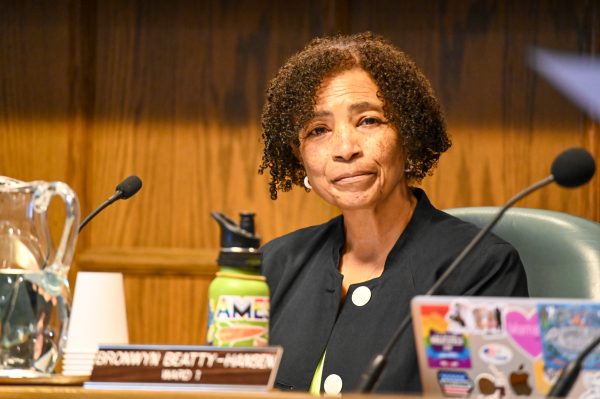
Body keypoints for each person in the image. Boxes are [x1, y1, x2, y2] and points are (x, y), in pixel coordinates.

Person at [258, 32, 528, 394]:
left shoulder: (479, 267)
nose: (344, 148)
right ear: (299, 154)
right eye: (318, 130)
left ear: (408, 131)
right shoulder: (273, 264)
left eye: (368, 121)